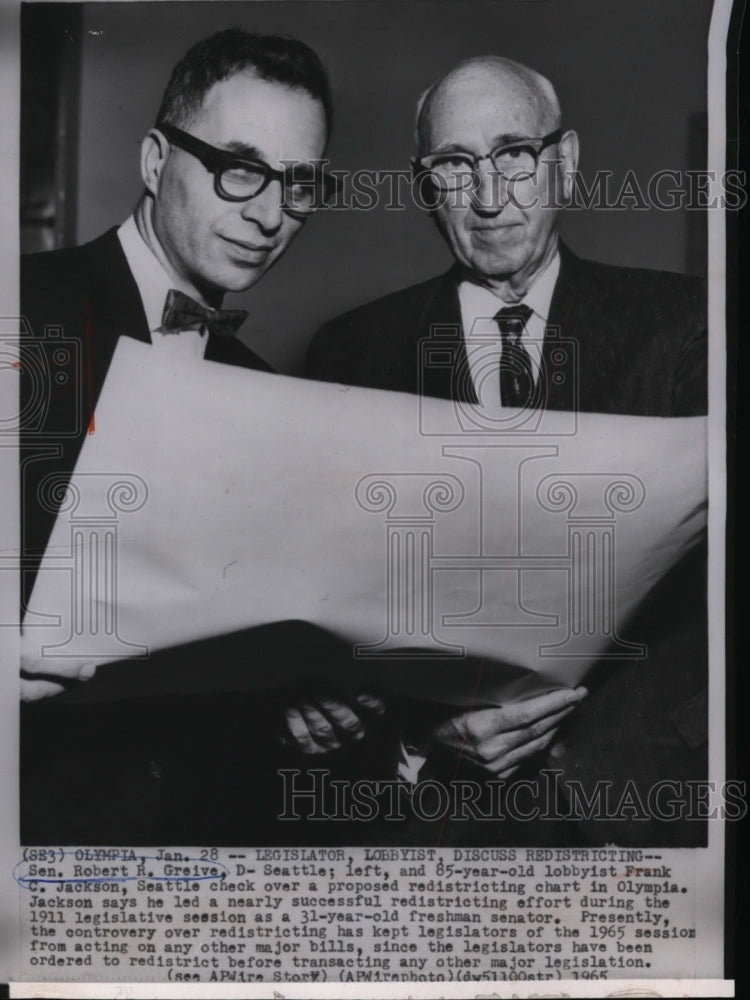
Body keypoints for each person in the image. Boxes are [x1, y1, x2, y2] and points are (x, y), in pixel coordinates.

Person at [303, 56, 707, 846]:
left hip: (650, 804)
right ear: (426, 185)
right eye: (455, 165)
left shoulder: (685, 326)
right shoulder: (352, 354)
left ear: (567, 161)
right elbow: (331, 619)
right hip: (442, 816)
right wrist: (421, 739)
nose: (490, 198)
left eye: (515, 153)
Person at [20, 28, 346, 844]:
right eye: (240, 168)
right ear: (155, 160)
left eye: (298, 184)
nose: (271, 214)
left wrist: (299, 696)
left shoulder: (267, 390)